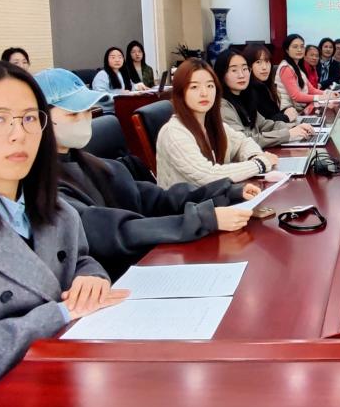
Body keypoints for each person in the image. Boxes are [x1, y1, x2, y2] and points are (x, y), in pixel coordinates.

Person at [0, 61, 128, 407]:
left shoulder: (58, 212)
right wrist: (56, 315)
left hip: (68, 388)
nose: (19, 134)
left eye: (30, 118)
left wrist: (91, 278)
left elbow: (79, 260)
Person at [34, 67, 262, 280]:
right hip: (116, 280)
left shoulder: (98, 165)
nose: (84, 120)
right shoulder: (44, 186)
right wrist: (205, 219)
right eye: (73, 115)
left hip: (146, 264)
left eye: (87, 112)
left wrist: (226, 193)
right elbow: (116, 231)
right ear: (39, 119)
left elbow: (155, 199)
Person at [155, 58, 278, 188]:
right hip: (189, 201)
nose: (204, 93)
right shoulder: (174, 132)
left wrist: (255, 156)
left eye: (210, 86)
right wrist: (259, 164)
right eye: (194, 87)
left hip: (216, 197)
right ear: (180, 93)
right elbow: (207, 176)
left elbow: (243, 142)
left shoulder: (211, 124)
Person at [214, 49, 313, 148]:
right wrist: (288, 134)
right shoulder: (222, 106)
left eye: (244, 69)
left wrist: (295, 127)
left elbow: (265, 125)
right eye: (234, 70)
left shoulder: (245, 97)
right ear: (221, 74)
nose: (241, 75)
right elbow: (244, 140)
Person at [245, 43, 299, 124]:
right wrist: (286, 117)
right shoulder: (250, 90)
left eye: (267, 61)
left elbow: (271, 114)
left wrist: (285, 111)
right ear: (248, 66)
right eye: (258, 62)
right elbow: (262, 124)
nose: (264, 67)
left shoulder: (266, 85)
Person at [275, 34, 330, 112]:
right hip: (289, 111)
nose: (299, 50)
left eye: (302, 46)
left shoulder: (297, 67)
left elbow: (311, 90)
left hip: (299, 109)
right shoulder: (286, 68)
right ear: (287, 50)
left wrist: (328, 93)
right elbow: (296, 96)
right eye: (295, 47)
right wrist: (319, 97)